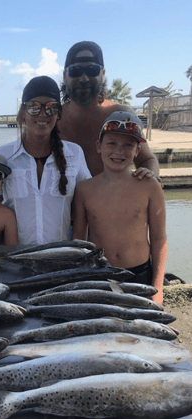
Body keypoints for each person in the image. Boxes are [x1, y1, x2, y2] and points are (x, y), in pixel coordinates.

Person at [71, 111, 167, 304]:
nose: (119, 151)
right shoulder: (84, 189)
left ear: (137, 151)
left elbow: (159, 239)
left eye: (128, 145)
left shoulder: (149, 186)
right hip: (99, 274)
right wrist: (79, 278)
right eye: (111, 143)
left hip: (140, 274)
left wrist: (157, 286)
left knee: (140, 330)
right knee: (103, 330)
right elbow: (79, 242)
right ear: (99, 146)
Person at [0, 75, 91, 245]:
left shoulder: (74, 154)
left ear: (59, 113)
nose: (42, 114)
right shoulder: (2, 156)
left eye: (50, 107)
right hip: (16, 259)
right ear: (23, 113)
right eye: (34, 107)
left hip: (60, 259)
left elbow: (88, 201)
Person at [58, 41, 160, 180]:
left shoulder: (121, 117)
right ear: (65, 76)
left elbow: (147, 160)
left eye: (92, 70)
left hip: (112, 200)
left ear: (103, 74)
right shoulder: (52, 119)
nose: (84, 78)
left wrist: (148, 181)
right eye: (75, 71)